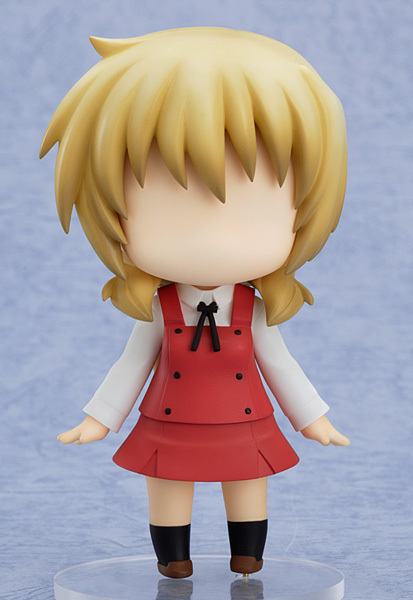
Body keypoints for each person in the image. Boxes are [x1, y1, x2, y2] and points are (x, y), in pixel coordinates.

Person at [40, 27, 350, 579]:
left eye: (253, 211)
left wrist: (313, 417)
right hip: (171, 419)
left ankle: (248, 553)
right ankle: (173, 557)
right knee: (168, 482)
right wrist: (99, 418)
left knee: (247, 481)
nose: (213, 239)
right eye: (167, 209)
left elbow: (281, 365)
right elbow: (131, 365)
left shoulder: (252, 310)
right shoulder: (159, 310)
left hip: (243, 418)